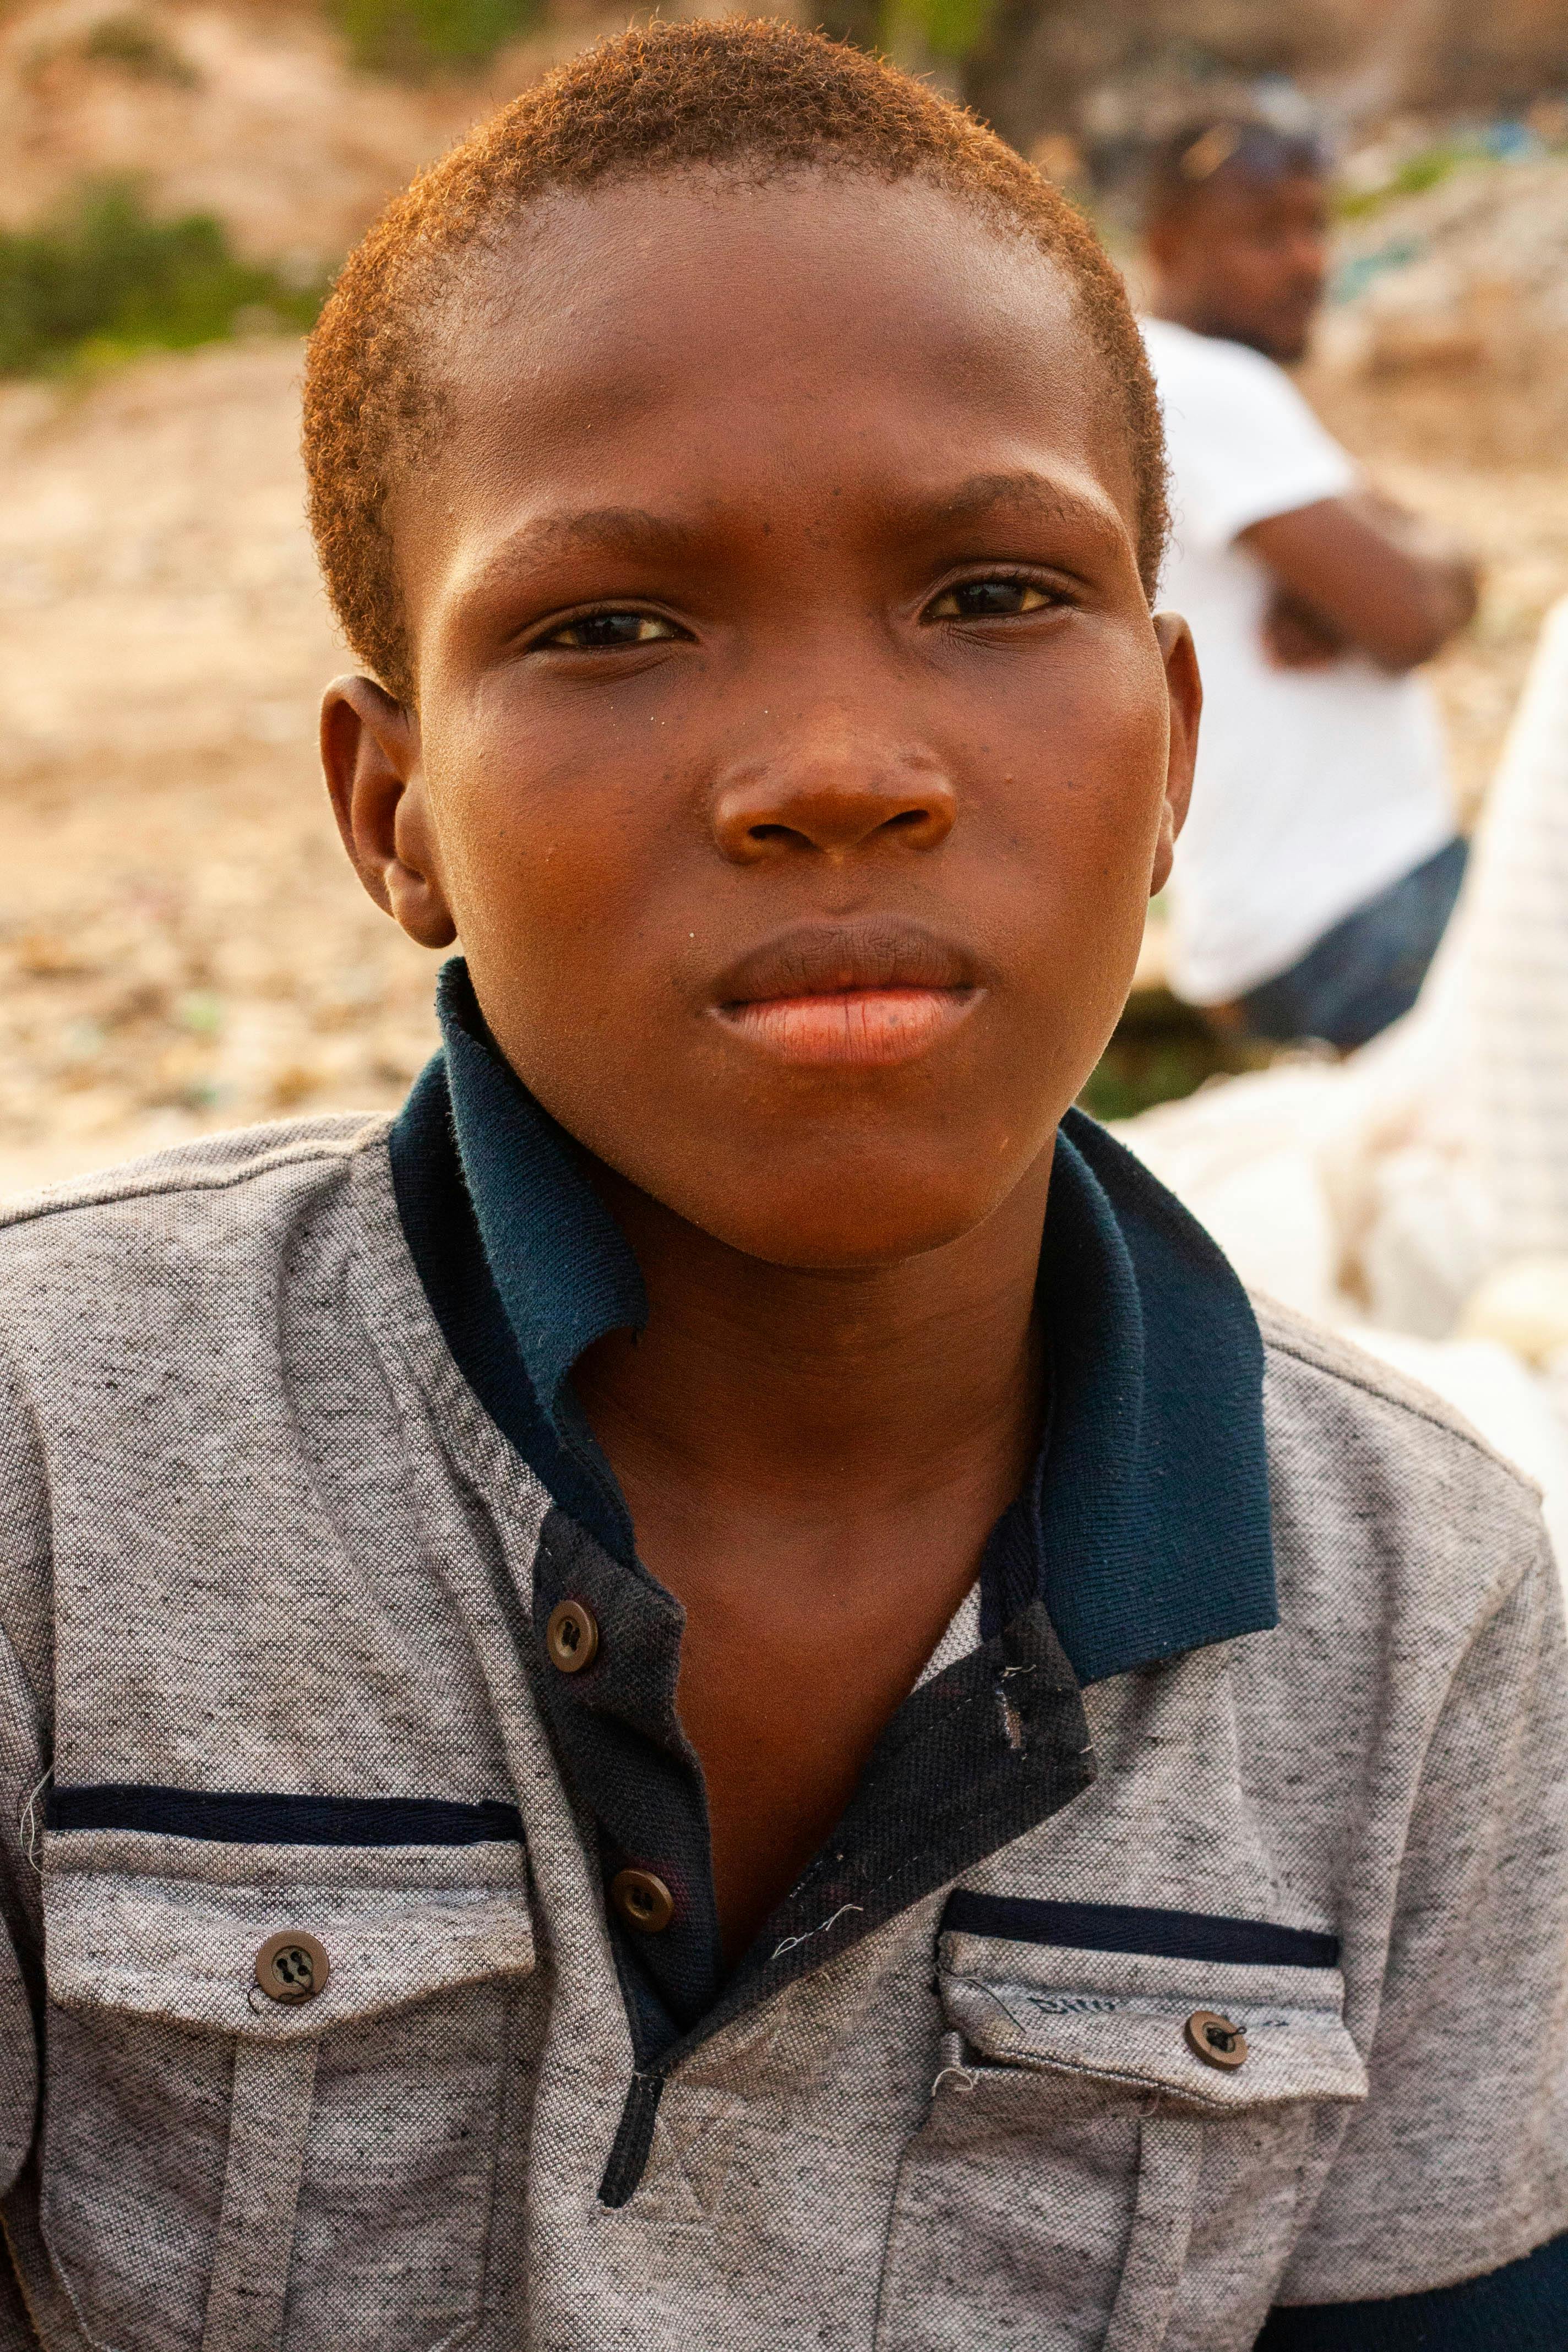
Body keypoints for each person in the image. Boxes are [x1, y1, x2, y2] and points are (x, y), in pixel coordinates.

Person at [0, 24, 1562, 2348]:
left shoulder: (1424, 1613)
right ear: (390, 811)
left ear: (1172, 750)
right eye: (610, 627)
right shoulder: (52, 1460)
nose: (838, 774)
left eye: (993, 595)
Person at [1141, 119, 1480, 1050]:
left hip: (1294, 919)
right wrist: (1402, 566)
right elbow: (1411, 617)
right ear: (1168, 245)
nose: (1306, 263)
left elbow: (1432, 572)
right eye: (1264, 235)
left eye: (1315, 228)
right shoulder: (1204, 385)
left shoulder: (1168, 381)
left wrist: (1405, 562)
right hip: (1354, 912)